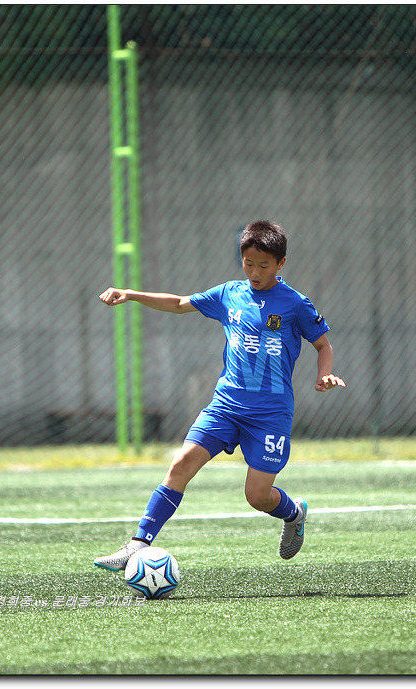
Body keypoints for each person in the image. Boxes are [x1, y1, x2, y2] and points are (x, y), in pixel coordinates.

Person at [93, 220, 345, 571]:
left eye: (264, 265)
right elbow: (179, 303)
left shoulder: (295, 304)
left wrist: (324, 374)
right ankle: (137, 545)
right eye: (248, 264)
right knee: (181, 465)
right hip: (225, 406)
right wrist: (131, 294)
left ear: (281, 263)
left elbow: (323, 345)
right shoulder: (229, 294)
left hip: (270, 414)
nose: (255, 272)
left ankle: (294, 513)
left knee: (257, 496)